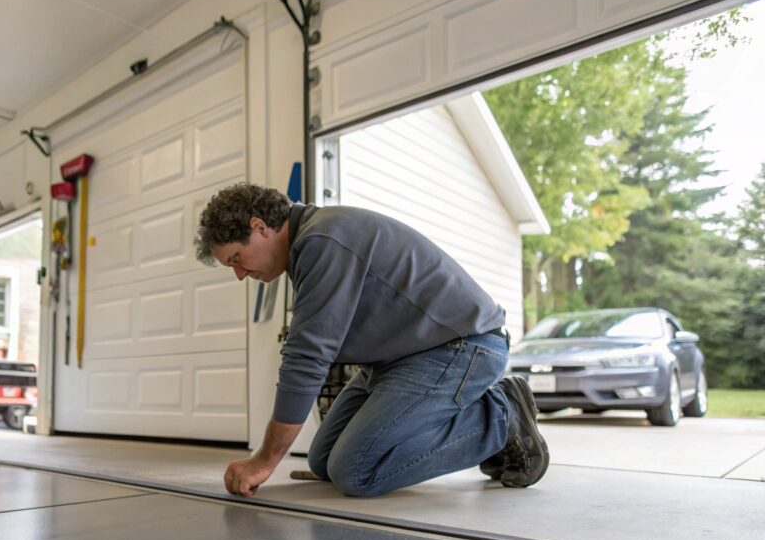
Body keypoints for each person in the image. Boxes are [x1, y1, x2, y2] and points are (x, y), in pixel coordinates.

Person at [194, 182, 549, 497]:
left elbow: (306, 357)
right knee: (323, 461)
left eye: (237, 259)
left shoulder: (324, 241)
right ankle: (484, 419)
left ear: (260, 227)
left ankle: (501, 416)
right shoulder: (313, 241)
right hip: (405, 358)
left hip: (462, 348)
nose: (240, 275)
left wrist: (264, 460)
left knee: (355, 470)